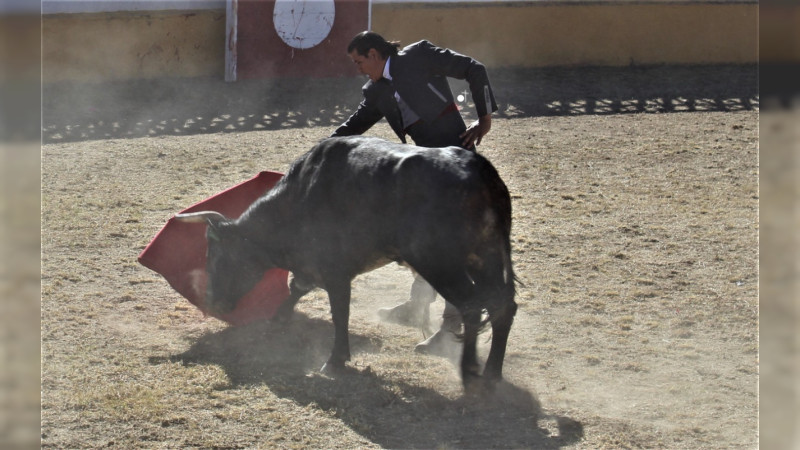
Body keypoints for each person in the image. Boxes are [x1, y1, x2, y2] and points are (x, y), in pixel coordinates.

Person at [331, 31, 498, 359]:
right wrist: (323, 149)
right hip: (425, 171)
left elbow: (474, 68)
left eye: (359, 61)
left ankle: (452, 329)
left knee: (450, 245)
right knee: (421, 237)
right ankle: (418, 306)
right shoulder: (376, 90)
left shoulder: (419, 55)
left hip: (456, 164)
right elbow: (356, 123)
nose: (358, 69)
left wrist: (484, 118)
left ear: (376, 54)